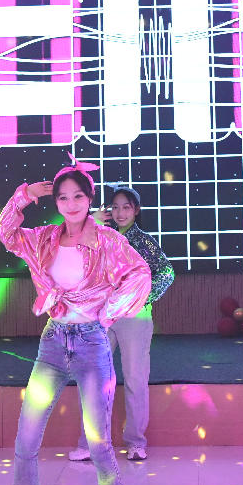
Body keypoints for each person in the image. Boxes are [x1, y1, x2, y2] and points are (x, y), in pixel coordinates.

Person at [0, 158, 150, 485]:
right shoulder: (44, 238)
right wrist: (24, 196)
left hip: (91, 344)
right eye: (63, 198)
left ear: (89, 198)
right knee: (25, 442)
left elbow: (140, 274)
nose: (71, 203)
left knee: (98, 443)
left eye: (78, 196)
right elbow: (5, 232)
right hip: (52, 342)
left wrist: (107, 313)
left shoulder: (107, 240)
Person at [69, 185, 174, 463]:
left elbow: (166, 272)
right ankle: (89, 443)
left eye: (126, 207)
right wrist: (91, 223)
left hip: (134, 319)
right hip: (102, 317)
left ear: (136, 210)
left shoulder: (144, 241)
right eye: (115, 207)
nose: (120, 213)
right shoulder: (100, 236)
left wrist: (142, 297)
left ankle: (136, 442)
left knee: (135, 379)